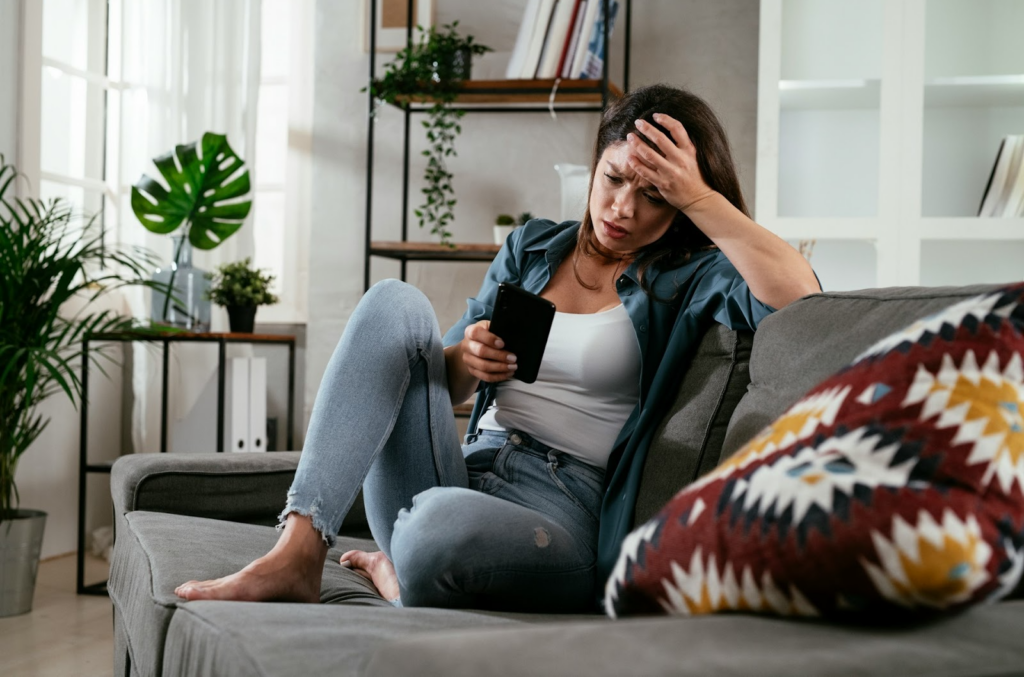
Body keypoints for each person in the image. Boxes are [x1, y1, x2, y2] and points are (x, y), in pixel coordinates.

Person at [175, 84, 820, 613]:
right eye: (614, 178)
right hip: (461, 471)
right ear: (594, 165)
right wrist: (466, 360)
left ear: (680, 204)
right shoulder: (534, 246)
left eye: (653, 195)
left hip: (562, 512)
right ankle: (297, 551)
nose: (622, 207)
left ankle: (403, 566)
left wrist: (698, 195)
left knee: (430, 531)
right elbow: (448, 386)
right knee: (393, 302)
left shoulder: (690, 276)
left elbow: (798, 294)